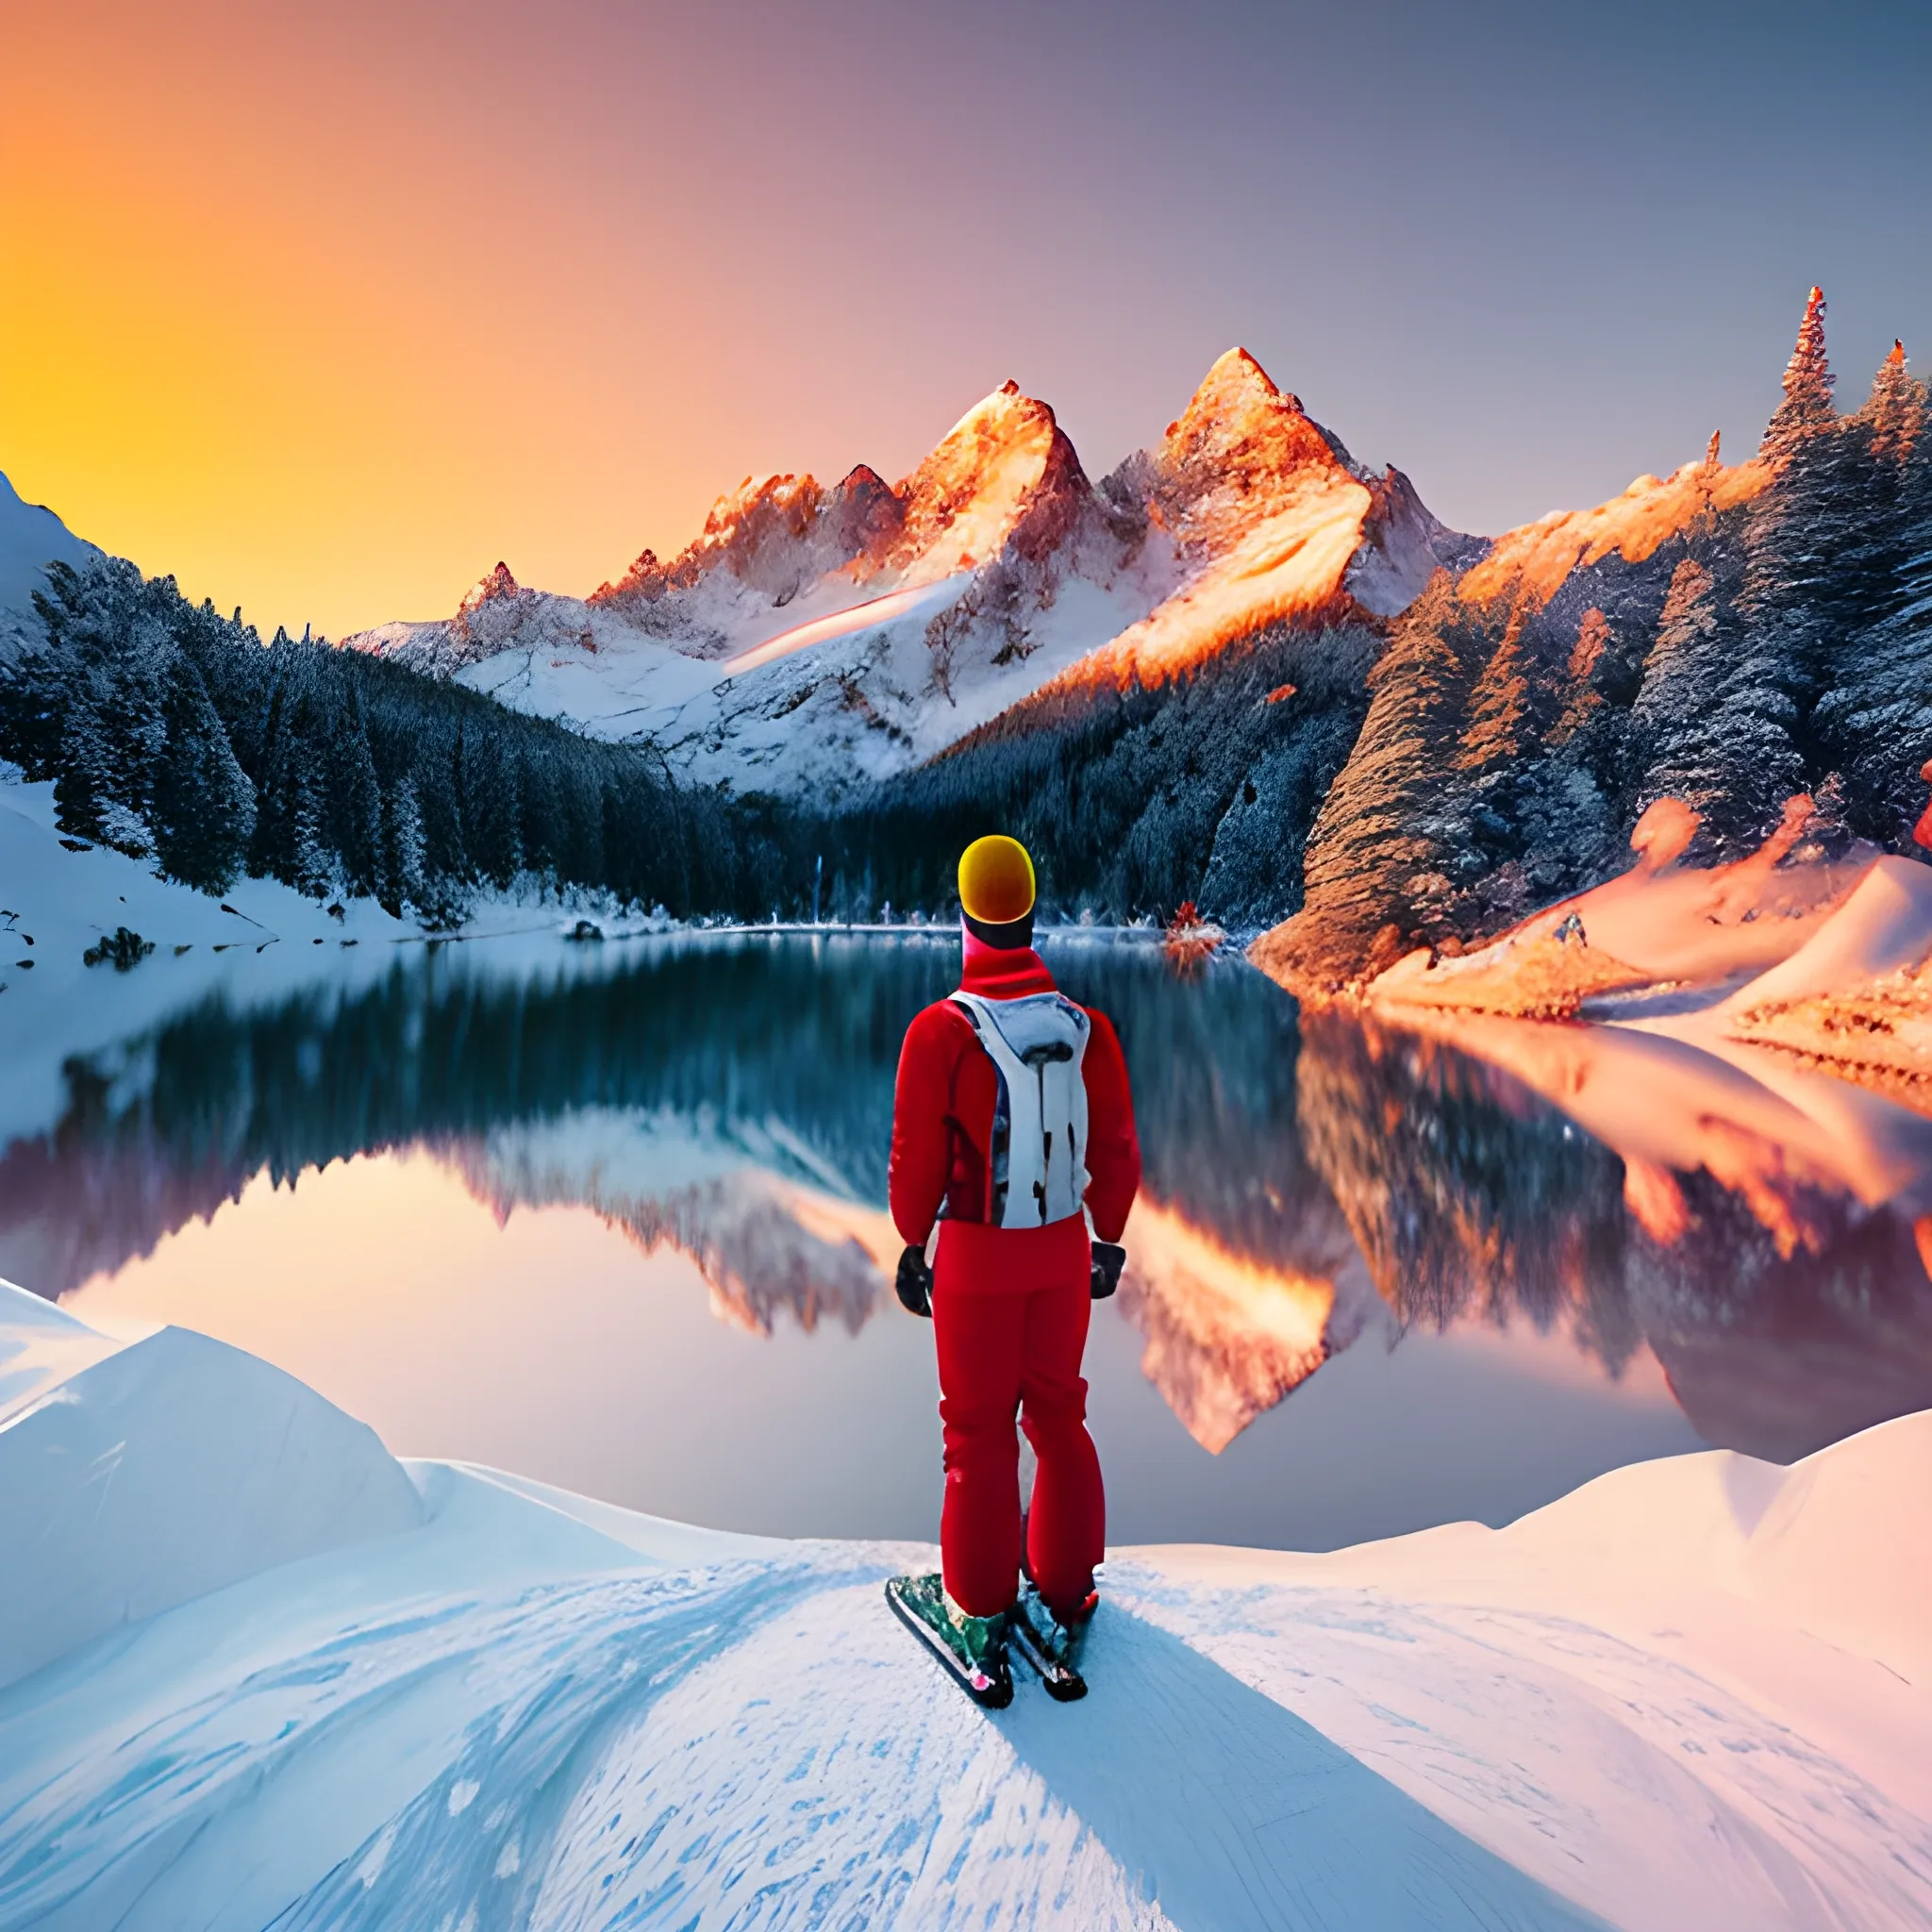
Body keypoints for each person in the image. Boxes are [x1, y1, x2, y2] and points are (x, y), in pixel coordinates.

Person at [883, 835, 1141, 1706]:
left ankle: (979, 1605)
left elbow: (915, 1163)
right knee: (1059, 1418)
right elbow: (1117, 1150)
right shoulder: (1085, 1028)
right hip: (1064, 1250)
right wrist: (1108, 1237)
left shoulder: (940, 1033)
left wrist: (912, 1244)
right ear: (1030, 913)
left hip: (978, 1261)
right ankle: (1066, 1591)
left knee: (978, 1437)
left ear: (965, 916)